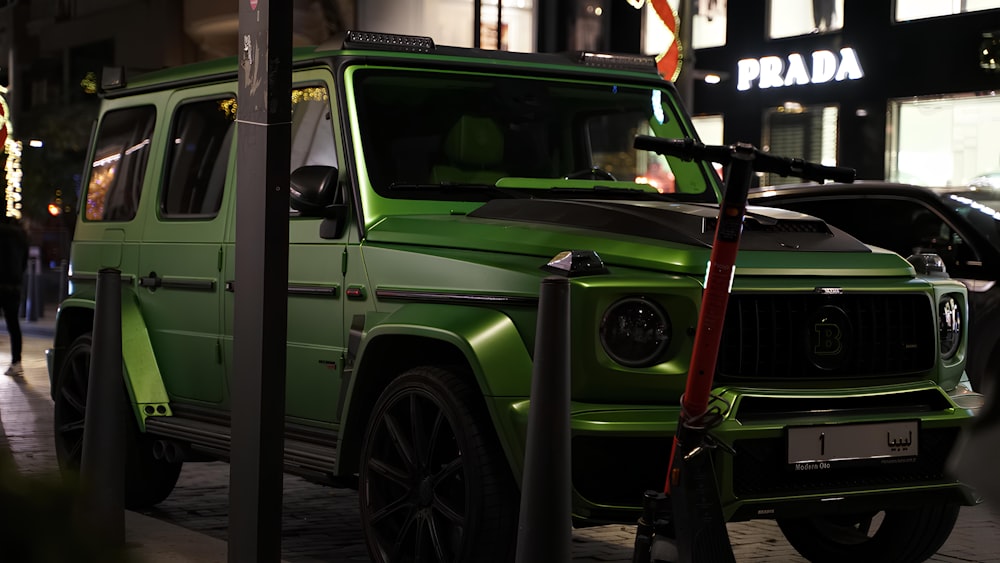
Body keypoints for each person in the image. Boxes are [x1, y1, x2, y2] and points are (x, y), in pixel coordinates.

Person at [0, 214, 27, 376]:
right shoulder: (21, 236)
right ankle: (16, 362)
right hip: (14, 285)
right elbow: (23, 262)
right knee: (13, 324)